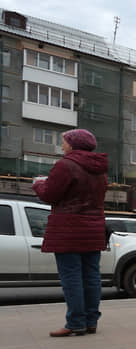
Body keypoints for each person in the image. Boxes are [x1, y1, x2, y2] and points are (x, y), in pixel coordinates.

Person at [32, 129, 108, 337]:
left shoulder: (65, 165)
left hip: (68, 229)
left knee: (71, 277)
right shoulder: (99, 169)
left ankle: (75, 323)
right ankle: (90, 322)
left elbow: (50, 194)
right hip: (93, 229)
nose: (62, 145)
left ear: (74, 144)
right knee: (91, 277)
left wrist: (39, 184)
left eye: (64, 142)